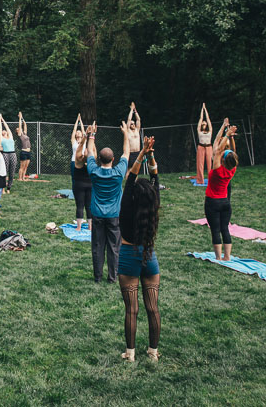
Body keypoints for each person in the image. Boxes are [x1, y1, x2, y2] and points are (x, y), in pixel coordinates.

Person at [118, 136, 161, 363]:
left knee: (131, 310)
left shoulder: (126, 205)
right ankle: (153, 353)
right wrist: (150, 155)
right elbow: (155, 177)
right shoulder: (153, 206)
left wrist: (142, 154)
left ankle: (130, 354)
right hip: (149, 256)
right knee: (152, 308)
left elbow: (130, 179)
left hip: (127, 257)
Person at [86, 120, 131, 283]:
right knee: (114, 247)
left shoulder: (93, 171)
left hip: (97, 214)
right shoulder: (119, 173)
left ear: (100, 159)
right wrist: (125, 133)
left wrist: (92, 134)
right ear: (113, 159)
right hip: (114, 215)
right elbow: (126, 152)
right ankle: (112, 278)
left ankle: (97, 277)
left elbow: (89, 151)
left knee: (98, 247)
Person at [204, 120, 238, 261]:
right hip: (225, 203)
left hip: (213, 202)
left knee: (215, 230)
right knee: (225, 228)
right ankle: (227, 257)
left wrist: (227, 134)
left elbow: (217, 150)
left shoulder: (217, 170)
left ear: (222, 160)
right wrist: (229, 135)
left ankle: (218, 257)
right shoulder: (232, 169)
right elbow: (232, 153)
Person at [72, 119, 94, 234]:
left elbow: (79, 148)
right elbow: (92, 148)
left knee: (80, 205)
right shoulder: (91, 161)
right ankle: (90, 226)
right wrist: (92, 135)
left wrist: (86, 136)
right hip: (90, 185)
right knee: (88, 205)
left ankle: (79, 227)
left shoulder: (78, 161)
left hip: (79, 186)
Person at [0, 114, 18, 192]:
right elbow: (0, 128)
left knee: (12, 171)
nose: (4, 130)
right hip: (5, 154)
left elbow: (7, 127)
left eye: (5, 130)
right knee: (4, 171)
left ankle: (9, 188)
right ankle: (3, 188)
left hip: (13, 154)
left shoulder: (10, 136)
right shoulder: (1, 137)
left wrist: (3, 120)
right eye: (3, 131)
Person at [195, 104, 213, 185]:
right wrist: (202, 110)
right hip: (201, 147)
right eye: (203, 123)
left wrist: (206, 110)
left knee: (210, 164)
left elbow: (208, 119)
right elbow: (201, 118)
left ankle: (211, 179)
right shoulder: (199, 131)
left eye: (205, 123)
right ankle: (200, 180)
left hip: (209, 147)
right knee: (200, 164)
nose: (204, 122)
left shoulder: (210, 131)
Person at [16, 112, 31, 181]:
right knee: (22, 166)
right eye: (18, 129)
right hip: (24, 152)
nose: (19, 129)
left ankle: (23, 178)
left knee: (26, 167)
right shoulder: (20, 135)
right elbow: (20, 125)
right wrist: (19, 119)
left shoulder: (24, 134)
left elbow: (25, 125)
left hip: (28, 152)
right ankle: (20, 178)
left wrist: (22, 118)